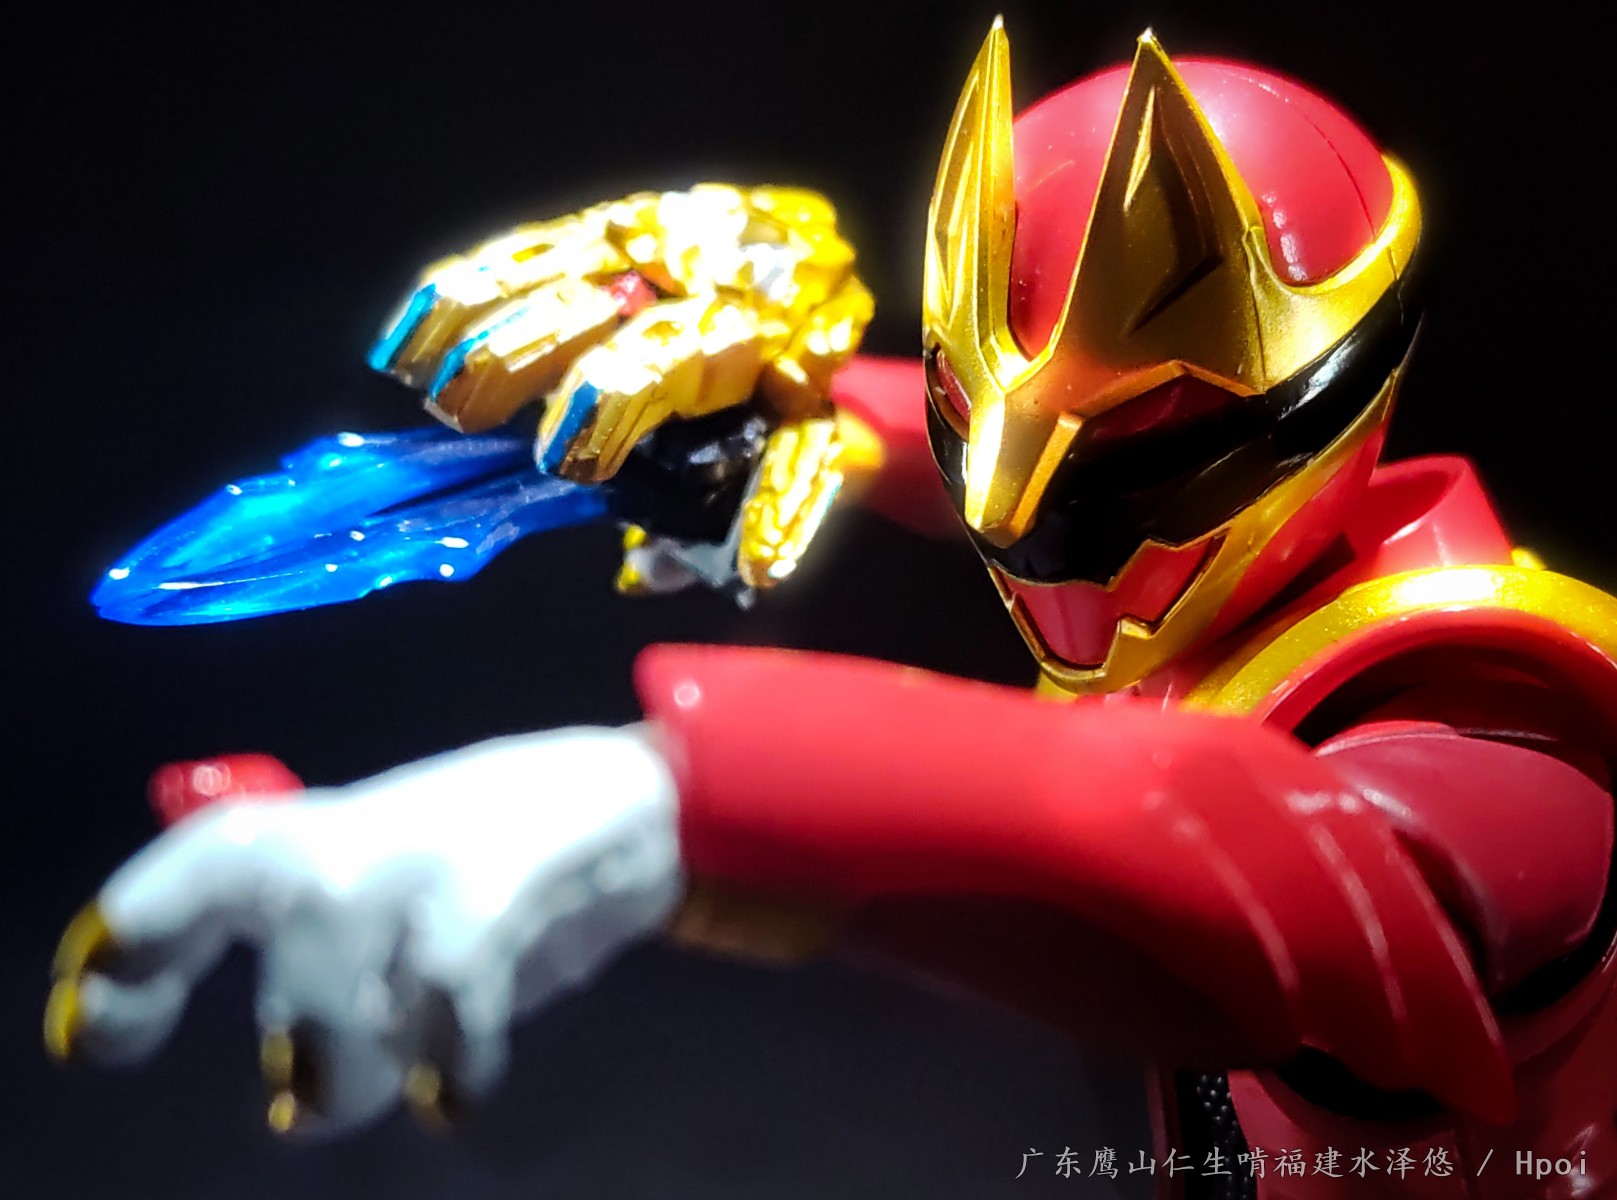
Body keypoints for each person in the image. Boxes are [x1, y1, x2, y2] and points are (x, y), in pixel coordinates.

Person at [47, 22, 1617, 1197]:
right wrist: (798, 410)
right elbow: (1026, 480)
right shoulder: (1194, 547)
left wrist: (674, 801)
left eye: (1133, 465)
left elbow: (1249, 873)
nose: (1028, 536)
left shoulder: (1518, 732)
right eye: (967, 429)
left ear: (1335, 395)